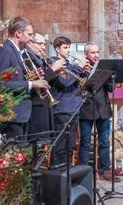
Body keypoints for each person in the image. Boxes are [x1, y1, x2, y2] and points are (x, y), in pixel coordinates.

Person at [0, 17, 50, 142]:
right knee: (14, 153)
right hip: (11, 113)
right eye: (29, 34)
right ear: (18, 33)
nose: (31, 38)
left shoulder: (17, 52)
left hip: (21, 113)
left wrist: (31, 76)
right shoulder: (5, 51)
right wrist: (31, 83)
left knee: (22, 154)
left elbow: (16, 78)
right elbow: (0, 84)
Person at [78, 42, 121, 182]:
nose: (96, 55)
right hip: (86, 109)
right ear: (86, 54)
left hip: (103, 108)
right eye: (92, 53)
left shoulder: (103, 68)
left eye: (97, 52)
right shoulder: (80, 68)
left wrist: (113, 80)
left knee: (104, 141)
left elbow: (109, 89)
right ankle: (83, 171)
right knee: (85, 142)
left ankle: (105, 170)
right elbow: (79, 89)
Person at [50, 36, 87, 166]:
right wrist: (79, 68)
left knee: (70, 146)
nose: (69, 50)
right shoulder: (54, 64)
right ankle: (56, 174)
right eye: (65, 47)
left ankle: (67, 174)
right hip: (61, 110)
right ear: (57, 49)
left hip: (73, 109)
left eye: (69, 47)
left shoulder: (70, 65)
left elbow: (77, 84)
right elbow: (65, 82)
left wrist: (83, 73)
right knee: (60, 146)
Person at [25, 33, 66, 140]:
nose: (43, 47)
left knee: (45, 142)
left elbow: (46, 83)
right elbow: (36, 81)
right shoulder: (27, 58)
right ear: (29, 43)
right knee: (38, 142)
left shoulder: (39, 59)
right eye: (40, 44)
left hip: (45, 103)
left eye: (44, 44)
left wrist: (55, 74)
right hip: (35, 105)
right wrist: (52, 70)